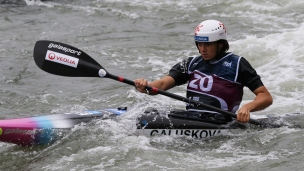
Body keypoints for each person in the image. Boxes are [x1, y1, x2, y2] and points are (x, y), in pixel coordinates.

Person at [134, 19, 273, 123]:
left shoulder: (237, 64)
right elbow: (163, 84)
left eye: (207, 44)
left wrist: (248, 107)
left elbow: (265, 97)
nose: (202, 49)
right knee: (149, 114)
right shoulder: (191, 63)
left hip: (220, 122)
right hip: (192, 118)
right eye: (199, 44)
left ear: (221, 44)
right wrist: (146, 86)